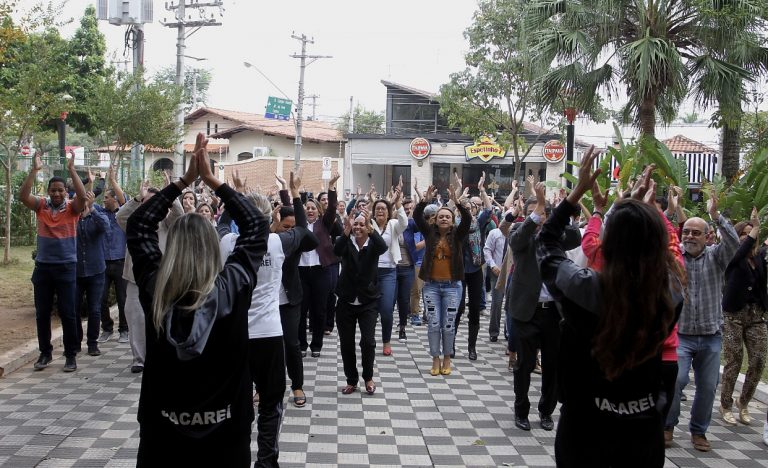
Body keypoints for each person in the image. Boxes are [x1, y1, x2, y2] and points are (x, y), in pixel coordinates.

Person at [127, 134, 268, 466]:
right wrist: (212, 181)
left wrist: (184, 181)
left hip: (163, 435)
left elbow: (139, 223)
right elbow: (257, 225)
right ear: (213, 248)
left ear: (172, 249)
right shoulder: (232, 286)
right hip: (226, 434)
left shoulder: (154, 288)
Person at [538, 154, 684, 467]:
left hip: (584, 433)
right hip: (642, 432)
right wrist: (635, 207)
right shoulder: (670, 292)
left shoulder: (582, 287)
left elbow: (546, 244)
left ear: (608, 242)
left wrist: (579, 196)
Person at [219, 183, 304, 467]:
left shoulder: (228, 243)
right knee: (271, 403)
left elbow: (221, 222)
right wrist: (295, 194)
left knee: (238, 404)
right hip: (268, 334)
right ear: (271, 219)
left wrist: (235, 197)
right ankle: (267, 461)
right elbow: (303, 231)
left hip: (234, 335)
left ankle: (238, 456)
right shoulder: (277, 243)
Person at [664, 186, 739, 452]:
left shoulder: (718, 257)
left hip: (710, 335)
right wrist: (670, 212)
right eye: (686, 232)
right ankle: (668, 426)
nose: (690, 236)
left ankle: (699, 432)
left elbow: (734, 244)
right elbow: (656, 236)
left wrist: (716, 215)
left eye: (696, 233)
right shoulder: (673, 258)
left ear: (708, 237)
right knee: (676, 380)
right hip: (681, 334)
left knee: (708, 387)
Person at [507, 177, 582, 432]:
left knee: (552, 366)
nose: (537, 218)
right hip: (526, 311)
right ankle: (521, 411)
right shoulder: (521, 233)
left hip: (554, 314)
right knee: (524, 366)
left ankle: (546, 411)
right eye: (532, 214)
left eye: (541, 213)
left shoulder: (557, 237)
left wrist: (565, 209)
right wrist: (537, 209)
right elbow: (516, 241)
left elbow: (575, 237)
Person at [20, 150, 86, 372]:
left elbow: (82, 195)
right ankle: (45, 353)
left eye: (60, 190)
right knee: (42, 312)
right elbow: (23, 195)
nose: (57, 194)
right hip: (44, 268)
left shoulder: (73, 209)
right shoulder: (41, 206)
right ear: (48, 191)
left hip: (67, 267)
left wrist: (72, 171)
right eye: (53, 190)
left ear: (65, 192)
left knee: (68, 312)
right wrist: (34, 170)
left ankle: (70, 355)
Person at [117, 178, 184, 373]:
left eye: (156, 203)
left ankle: (162, 355)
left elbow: (179, 215)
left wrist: (171, 192)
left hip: (162, 280)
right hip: (134, 279)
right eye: (148, 203)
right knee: (135, 317)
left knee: (163, 319)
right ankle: (139, 358)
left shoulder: (167, 223)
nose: (152, 207)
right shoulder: (133, 223)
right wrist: (138, 198)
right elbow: (120, 217)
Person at [413, 185, 470, 376]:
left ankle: (447, 358)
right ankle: (435, 358)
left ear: (453, 221)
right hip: (431, 286)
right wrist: (425, 200)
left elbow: (468, 219)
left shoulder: (458, 234)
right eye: (440, 216)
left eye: (447, 216)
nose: (444, 218)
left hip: (453, 286)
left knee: (448, 323)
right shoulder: (430, 233)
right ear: (435, 221)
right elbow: (416, 216)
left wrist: (458, 202)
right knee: (433, 323)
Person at [274, 172, 319, 407]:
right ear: (275, 225)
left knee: (292, 343)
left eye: (293, 228)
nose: (290, 232)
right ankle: (264, 387)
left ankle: (297, 385)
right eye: (285, 227)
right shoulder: (267, 241)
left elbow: (305, 233)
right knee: (268, 347)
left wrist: (295, 196)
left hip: (290, 300)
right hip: (266, 303)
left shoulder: (297, 241)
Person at [719, 208, 767, 427]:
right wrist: (755, 228)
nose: (749, 238)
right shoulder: (733, 256)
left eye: (752, 234)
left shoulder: (759, 258)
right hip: (734, 315)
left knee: (758, 360)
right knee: (734, 360)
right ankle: (726, 404)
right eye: (744, 234)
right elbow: (741, 251)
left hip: (756, 314)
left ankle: (743, 401)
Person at [334, 208, 388, 395]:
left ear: (368, 227)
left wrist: (372, 230)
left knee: (368, 342)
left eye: (361, 224)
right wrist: (346, 230)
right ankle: (351, 380)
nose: (358, 227)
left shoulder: (373, 244)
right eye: (355, 223)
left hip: (368, 301)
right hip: (346, 301)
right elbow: (336, 250)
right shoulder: (346, 243)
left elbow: (383, 247)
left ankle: (368, 378)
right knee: (346, 343)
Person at [298, 173, 341, 358]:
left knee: (319, 310)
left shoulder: (324, 224)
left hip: (320, 272)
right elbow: (289, 206)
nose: (310, 210)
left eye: (313, 208)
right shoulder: (298, 225)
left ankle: (316, 344)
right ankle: (301, 344)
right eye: (306, 208)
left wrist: (331, 186)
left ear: (318, 211)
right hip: (301, 272)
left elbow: (332, 207)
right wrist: (289, 188)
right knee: (301, 310)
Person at [371, 177, 408, 355]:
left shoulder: (393, 225)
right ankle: (368, 340)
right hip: (370, 272)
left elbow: (404, 223)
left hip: (388, 272)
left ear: (388, 212)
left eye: (383, 208)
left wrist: (399, 204)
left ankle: (386, 341)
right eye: (377, 208)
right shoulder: (369, 225)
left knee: (386, 310)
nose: (380, 211)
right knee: (369, 309)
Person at [75, 191, 109, 357]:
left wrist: (92, 209)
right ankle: (75, 342)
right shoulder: (72, 216)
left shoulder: (97, 215)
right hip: (75, 272)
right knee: (73, 308)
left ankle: (92, 343)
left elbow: (106, 226)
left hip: (96, 270)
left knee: (94, 309)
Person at [98, 166, 128, 344]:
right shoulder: (100, 213)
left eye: (107, 197)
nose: (104, 200)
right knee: (100, 298)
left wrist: (113, 180)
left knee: (122, 299)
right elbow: (87, 202)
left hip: (121, 262)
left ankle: (124, 329)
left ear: (114, 200)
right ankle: (106, 328)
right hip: (103, 263)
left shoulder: (123, 213)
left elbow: (123, 199)